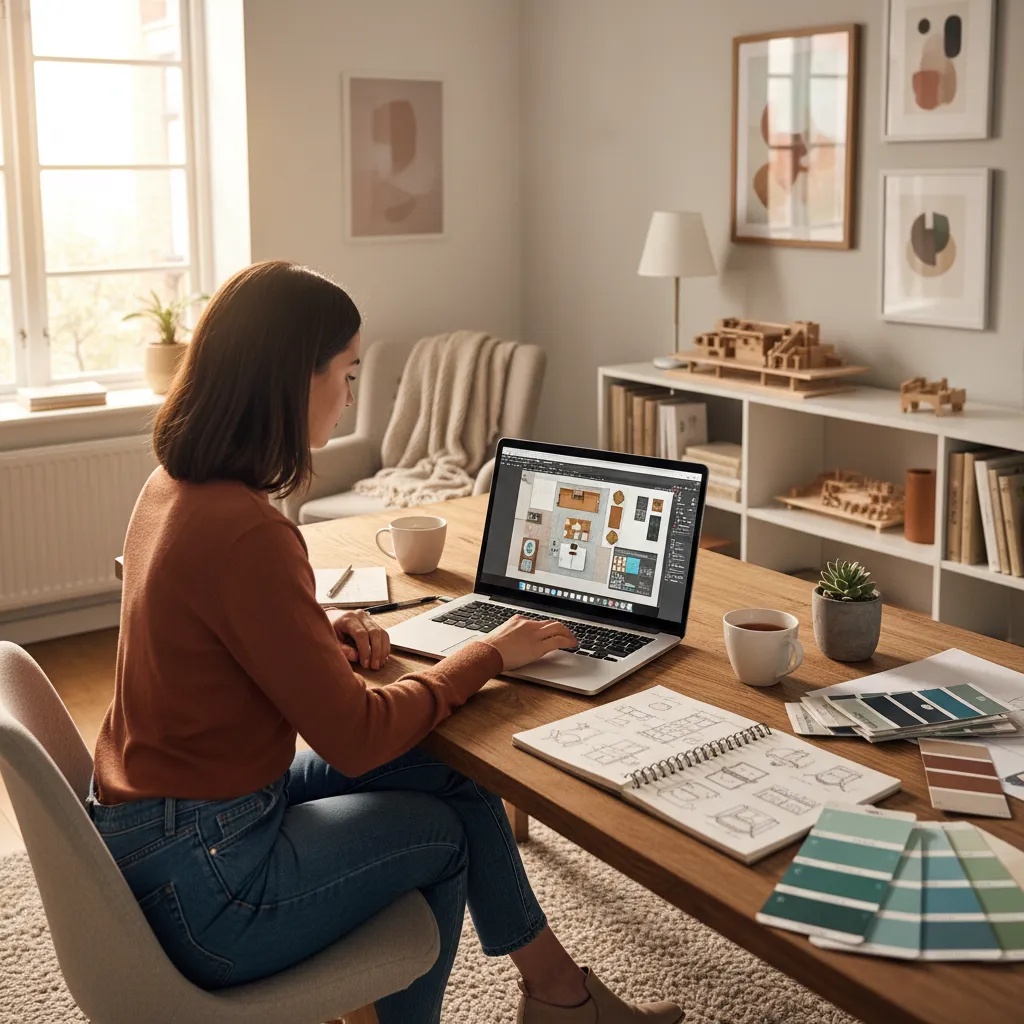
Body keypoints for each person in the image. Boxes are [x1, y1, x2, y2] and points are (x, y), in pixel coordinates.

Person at [88, 260, 683, 1024]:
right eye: (348, 373)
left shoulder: (171, 487)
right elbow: (358, 737)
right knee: (440, 834)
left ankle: (559, 995)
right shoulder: (247, 531)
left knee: (444, 772)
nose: (350, 395)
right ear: (289, 380)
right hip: (210, 882)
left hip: (162, 829)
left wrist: (310, 631)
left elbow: (205, 640)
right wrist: (487, 656)